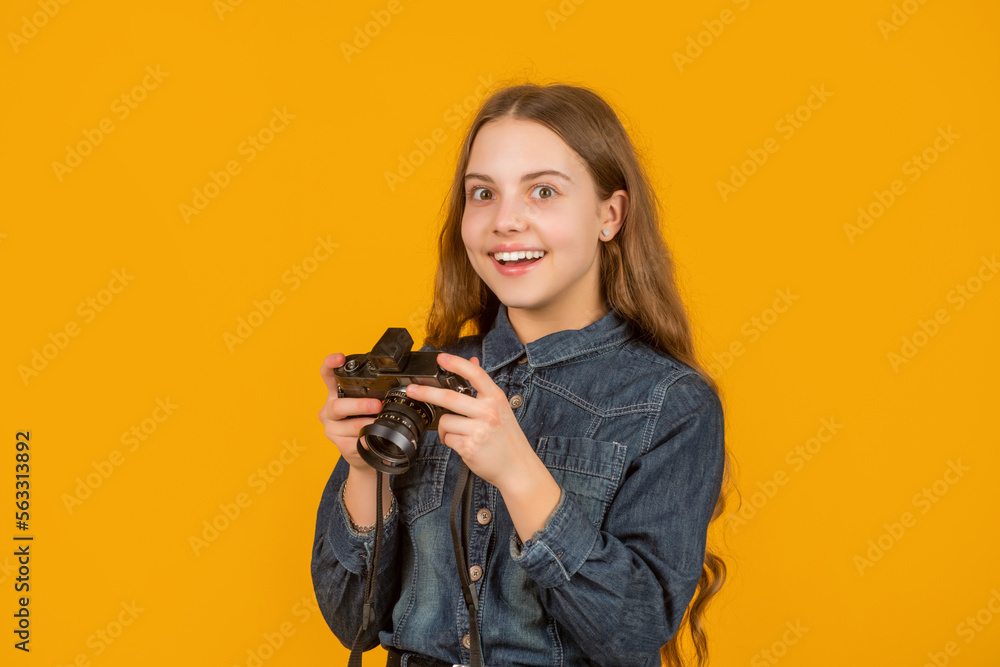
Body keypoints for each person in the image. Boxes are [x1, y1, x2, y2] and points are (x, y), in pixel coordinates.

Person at [312, 81, 735, 667]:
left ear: (609, 215)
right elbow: (351, 624)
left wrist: (519, 473)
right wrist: (365, 472)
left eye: (542, 191)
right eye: (482, 193)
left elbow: (634, 632)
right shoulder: (428, 380)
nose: (506, 220)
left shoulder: (670, 404)